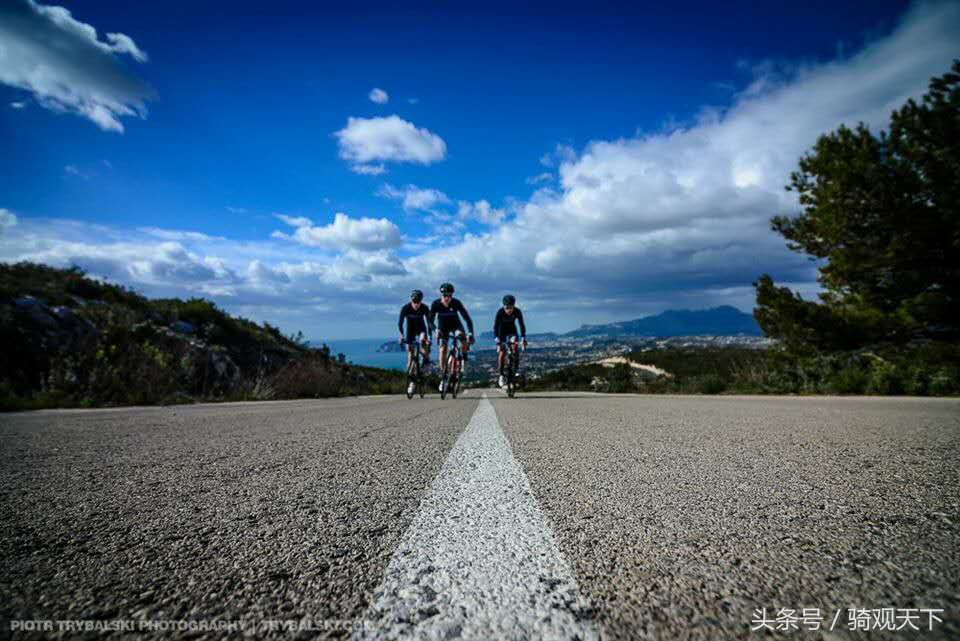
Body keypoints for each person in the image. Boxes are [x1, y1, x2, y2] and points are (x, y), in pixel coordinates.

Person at [430, 282, 474, 392]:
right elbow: (430, 321)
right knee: (442, 349)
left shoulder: (456, 303)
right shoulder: (435, 304)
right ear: (441, 295)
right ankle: (443, 376)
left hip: (456, 325)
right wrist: (435, 329)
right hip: (442, 327)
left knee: (461, 337)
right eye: (445, 295)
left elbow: (467, 319)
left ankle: (463, 355)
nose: (447, 298)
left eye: (449, 296)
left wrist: (470, 333)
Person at [398, 289, 433, 396]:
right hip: (410, 331)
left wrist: (429, 337)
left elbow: (429, 324)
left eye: (418, 302)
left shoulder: (425, 308)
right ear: (411, 300)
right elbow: (400, 323)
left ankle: (426, 361)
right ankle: (412, 383)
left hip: (421, 329)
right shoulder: (405, 308)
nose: (416, 304)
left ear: (421, 301)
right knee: (410, 356)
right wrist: (402, 336)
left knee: (423, 342)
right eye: (414, 302)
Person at [494, 294, 527, 387]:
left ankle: (515, 370)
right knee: (502, 353)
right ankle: (501, 375)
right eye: (507, 307)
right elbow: (496, 326)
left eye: (511, 307)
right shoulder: (500, 312)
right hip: (502, 333)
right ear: (504, 306)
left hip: (512, 331)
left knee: (515, 348)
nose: (509, 310)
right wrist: (497, 339)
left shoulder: (517, 311)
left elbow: (521, 325)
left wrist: (523, 338)